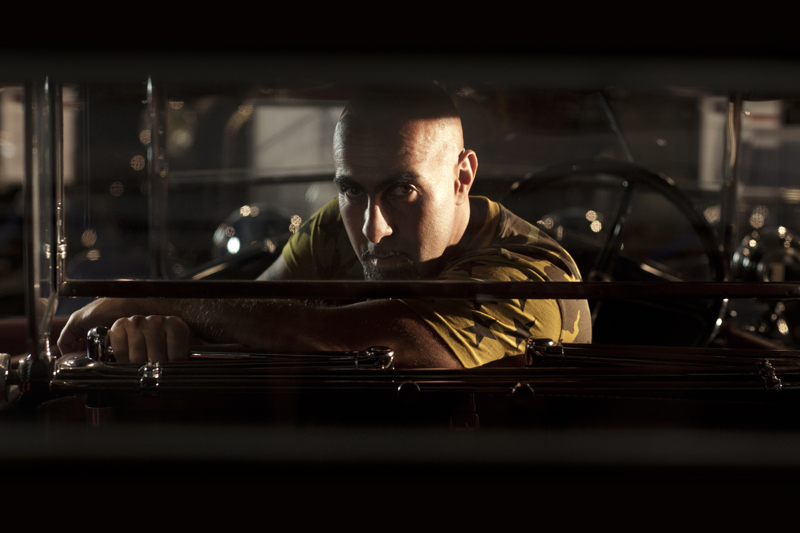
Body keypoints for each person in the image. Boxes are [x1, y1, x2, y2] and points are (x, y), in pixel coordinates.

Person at [57, 87, 591, 368]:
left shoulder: (534, 280)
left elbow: (360, 339)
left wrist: (153, 299)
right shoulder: (339, 224)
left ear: (462, 177)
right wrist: (163, 329)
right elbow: (255, 310)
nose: (373, 229)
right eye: (352, 189)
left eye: (401, 191)